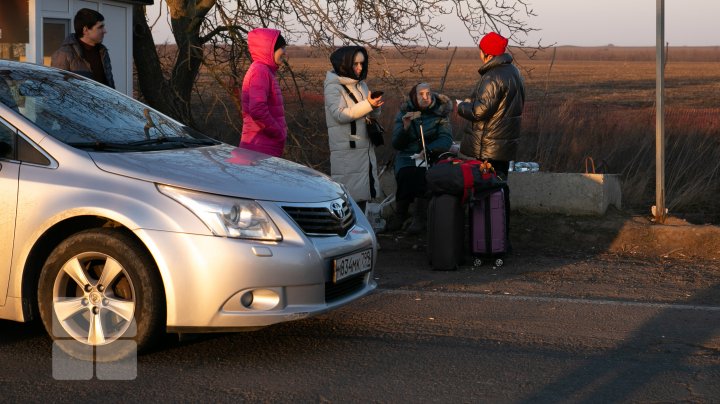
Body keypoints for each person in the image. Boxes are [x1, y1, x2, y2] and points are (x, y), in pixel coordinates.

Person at [456, 31, 525, 178]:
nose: (479, 54)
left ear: (488, 54)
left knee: (488, 186)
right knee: (500, 184)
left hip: (490, 145)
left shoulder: (492, 76)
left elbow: (479, 112)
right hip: (504, 143)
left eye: (481, 51)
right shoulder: (514, 72)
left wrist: (462, 106)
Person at [387, 83, 453, 234]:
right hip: (407, 154)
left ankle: (420, 217)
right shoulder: (405, 112)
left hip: (432, 154)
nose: (426, 97)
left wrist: (428, 150)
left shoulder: (440, 112)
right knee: (405, 174)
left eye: (428, 93)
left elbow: (446, 138)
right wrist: (405, 127)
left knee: (425, 175)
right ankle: (401, 214)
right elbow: (397, 143)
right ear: (414, 97)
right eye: (421, 94)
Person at [324, 46, 384, 210]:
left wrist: (374, 106)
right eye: (355, 64)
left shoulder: (360, 85)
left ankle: (362, 232)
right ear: (344, 64)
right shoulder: (333, 86)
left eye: (362, 64)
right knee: (348, 199)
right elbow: (340, 115)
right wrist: (368, 105)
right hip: (347, 151)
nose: (360, 68)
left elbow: (367, 113)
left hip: (363, 149)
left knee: (363, 196)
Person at [238, 28, 288, 157]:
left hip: (262, 145)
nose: (284, 52)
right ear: (269, 49)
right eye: (281, 48)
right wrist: (277, 133)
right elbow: (257, 109)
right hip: (259, 146)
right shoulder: (260, 71)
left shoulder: (264, 71)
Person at [51, 8, 114, 88]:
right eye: (100, 27)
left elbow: (109, 86)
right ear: (86, 30)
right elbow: (57, 89)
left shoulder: (102, 52)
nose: (105, 31)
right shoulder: (63, 55)